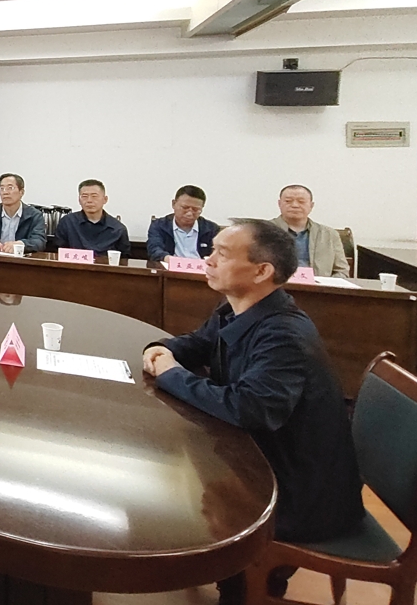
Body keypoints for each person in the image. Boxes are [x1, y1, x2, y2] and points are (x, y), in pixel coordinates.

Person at [143, 220, 364, 600]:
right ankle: (230, 578)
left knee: (180, 487)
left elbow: (249, 408)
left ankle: (249, 585)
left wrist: (171, 374)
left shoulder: (284, 335)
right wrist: (163, 348)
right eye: (212, 250)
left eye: (222, 254)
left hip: (300, 494)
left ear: (262, 271)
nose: (209, 260)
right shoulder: (239, 307)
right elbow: (199, 343)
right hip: (267, 462)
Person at [271, 185, 349, 278]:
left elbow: (342, 271)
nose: (295, 205)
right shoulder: (262, 230)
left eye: (301, 202)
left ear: (311, 206)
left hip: (318, 286)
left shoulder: (330, 234)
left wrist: (326, 284)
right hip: (275, 285)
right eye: (288, 201)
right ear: (279, 204)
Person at [54, 179, 131, 257]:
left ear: (105, 199)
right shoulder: (67, 222)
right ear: (79, 200)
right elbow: (58, 252)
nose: (89, 200)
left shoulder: (118, 229)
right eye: (84, 196)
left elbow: (124, 259)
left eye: (94, 196)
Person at [0, 173, 47, 252]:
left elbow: (39, 241)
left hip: (20, 258)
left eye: (10, 188)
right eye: (2, 188)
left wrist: (21, 244)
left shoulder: (34, 215)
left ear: (21, 192)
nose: (5, 192)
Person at [147, 185, 220, 263]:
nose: (189, 213)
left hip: (202, 269)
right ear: (173, 204)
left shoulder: (212, 229)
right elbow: (154, 249)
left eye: (195, 209)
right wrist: (171, 260)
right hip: (170, 267)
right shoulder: (159, 226)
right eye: (185, 207)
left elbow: (218, 254)